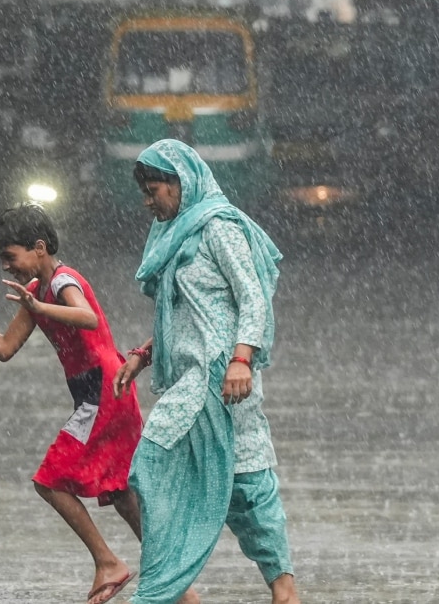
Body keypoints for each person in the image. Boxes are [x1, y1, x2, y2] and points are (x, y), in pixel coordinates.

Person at [0, 203, 144, 604]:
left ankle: (108, 562)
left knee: (50, 481)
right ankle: (174, 575)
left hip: (103, 393)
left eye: (11, 257)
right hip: (104, 393)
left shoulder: (62, 282)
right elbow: (5, 348)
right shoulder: (36, 293)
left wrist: (41, 307)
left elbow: (88, 318)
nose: (7, 267)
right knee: (120, 491)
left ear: (39, 248)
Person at [114, 139, 300, 604]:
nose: (148, 200)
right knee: (239, 481)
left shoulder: (219, 228)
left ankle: (183, 589)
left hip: (222, 376)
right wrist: (144, 353)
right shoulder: (173, 232)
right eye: (146, 191)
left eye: (155, 189)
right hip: (194, 377)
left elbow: (253, 297)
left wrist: (241, 359)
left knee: (163, 467)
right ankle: (179, 589)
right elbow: (185, 316)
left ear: (182, 183)